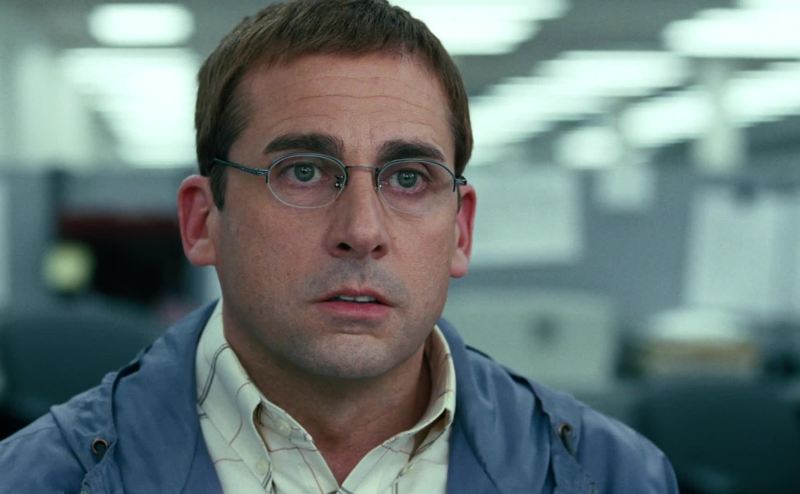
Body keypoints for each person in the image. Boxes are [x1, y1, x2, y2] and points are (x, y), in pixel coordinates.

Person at [0, 0, 677, 492]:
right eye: (303, 171)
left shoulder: (615, 476)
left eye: (408, 178)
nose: (363, 230)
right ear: (203, 222)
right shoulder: (35, 479)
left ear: (460, 231)